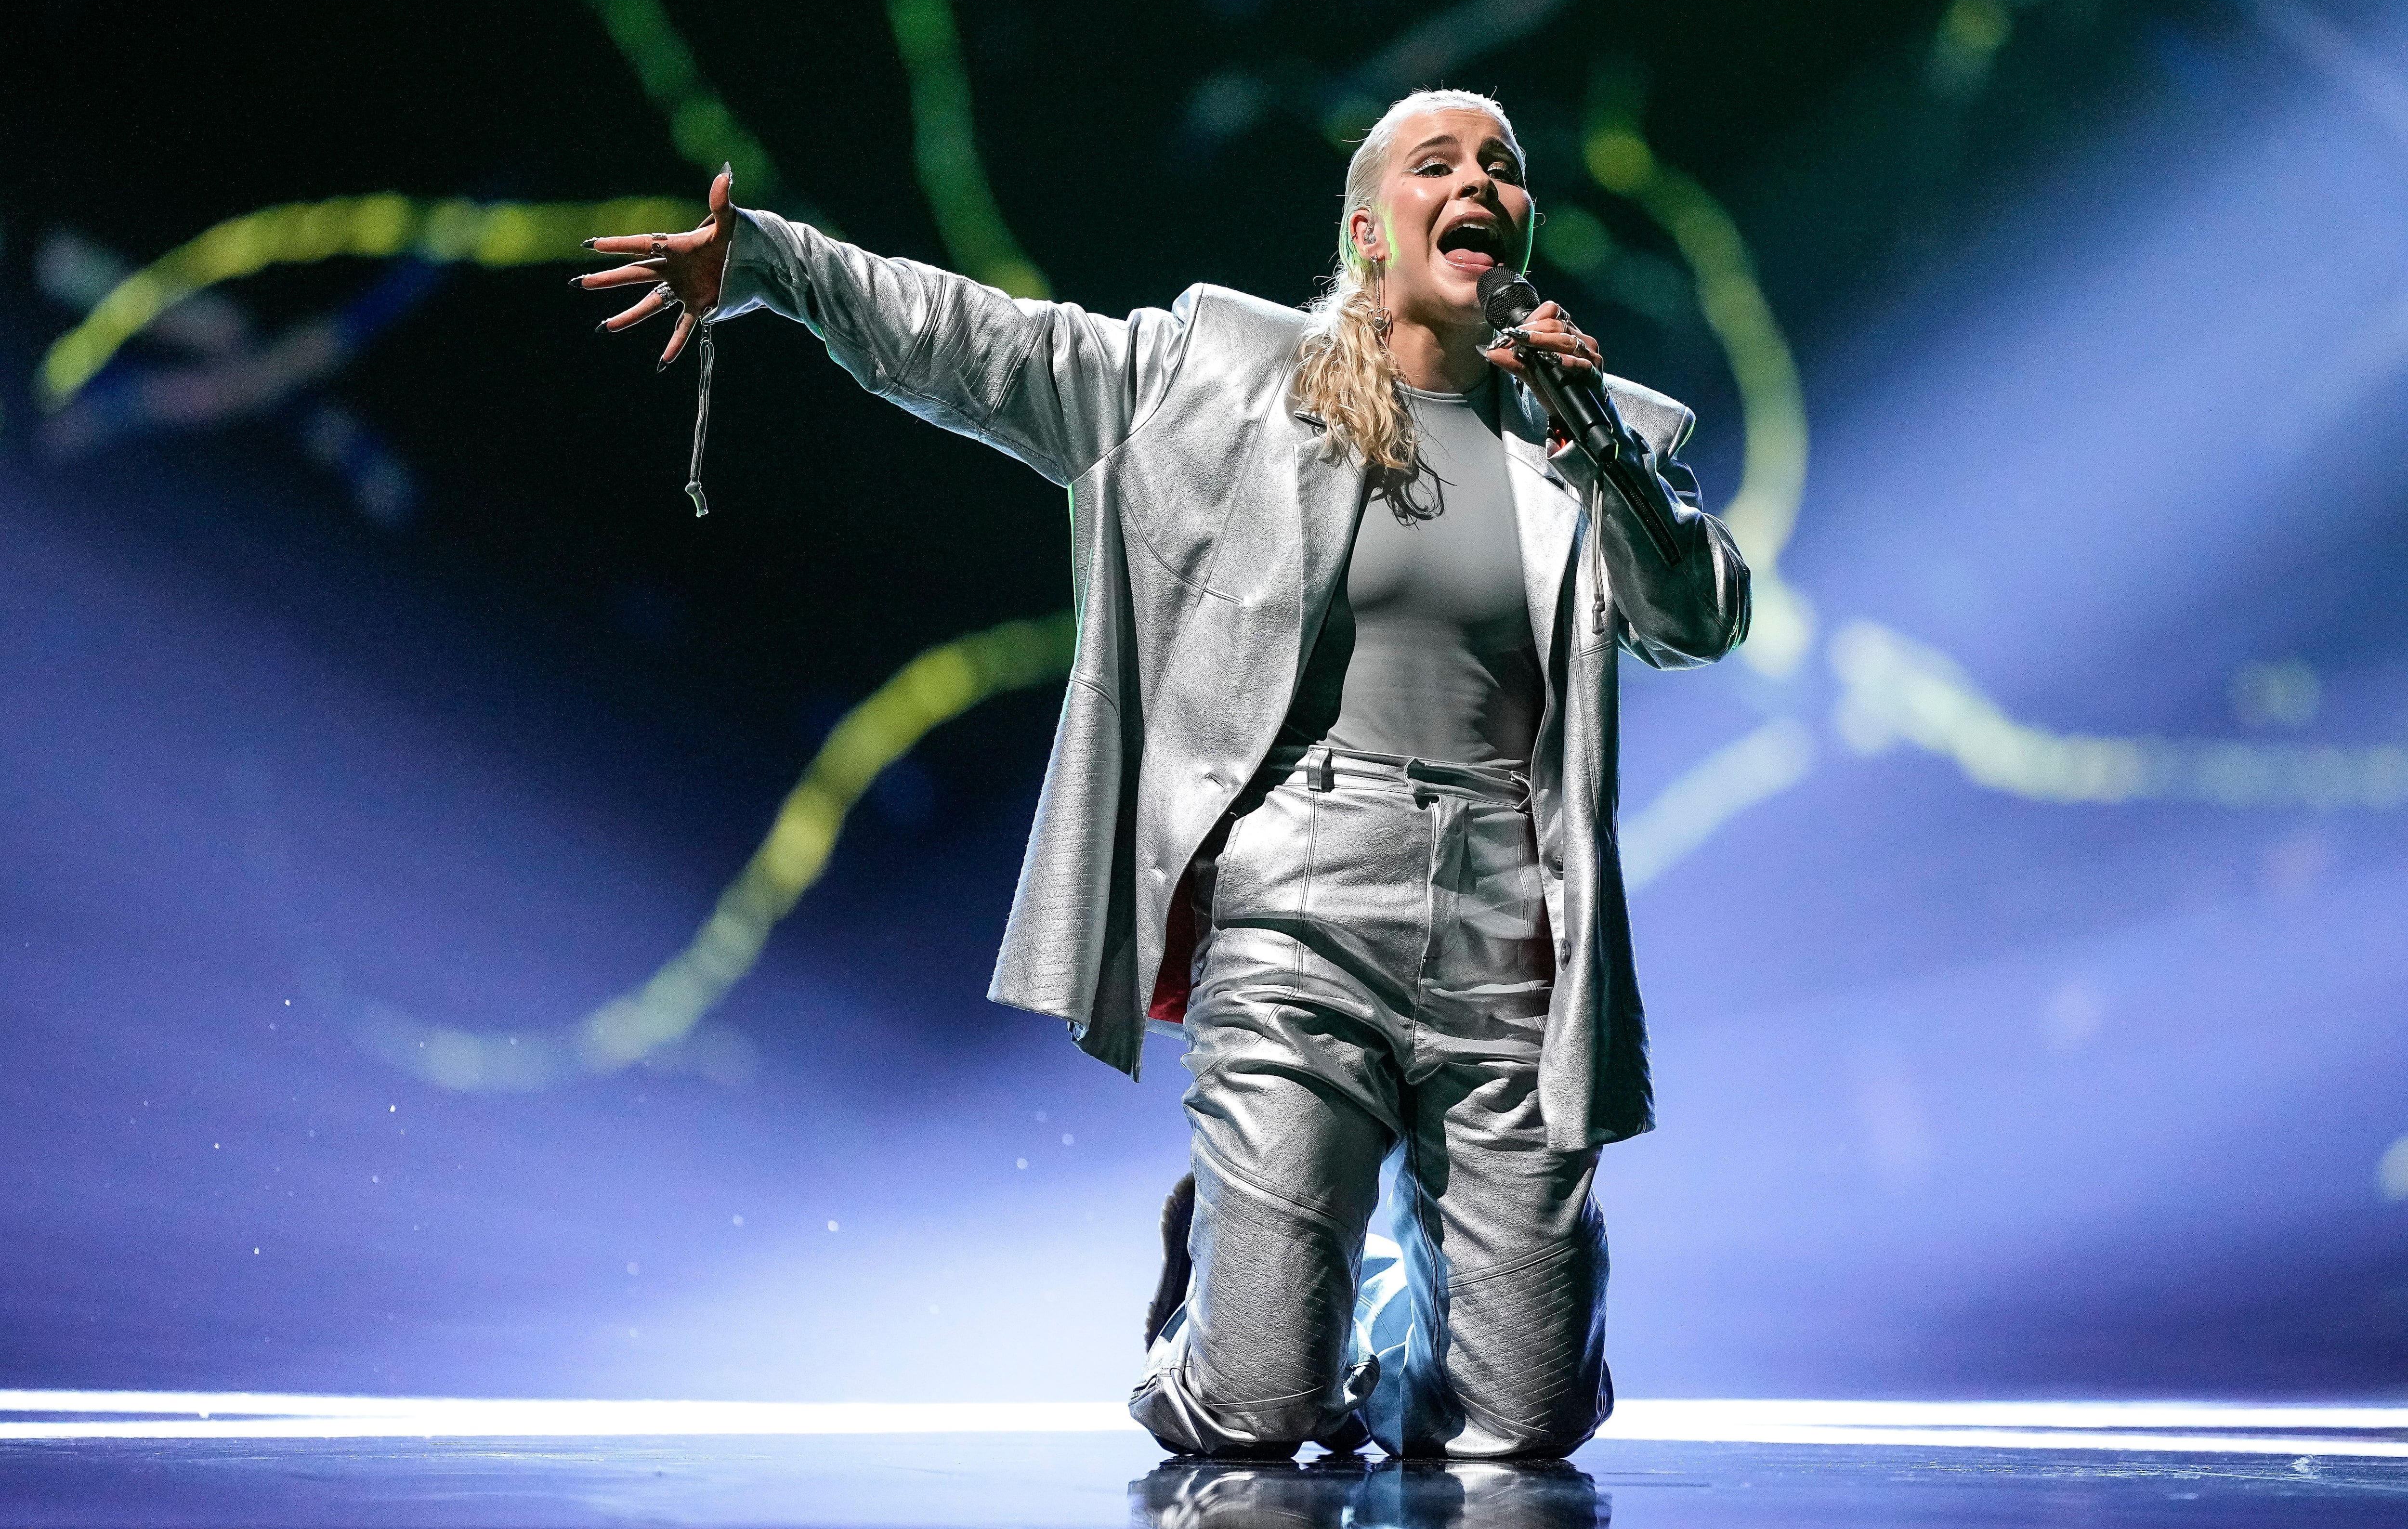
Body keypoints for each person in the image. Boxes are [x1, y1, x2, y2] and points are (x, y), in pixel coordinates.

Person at [576, 88, 1749, 1460]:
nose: (1480, 183)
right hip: (1301, 899)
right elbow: (989, 347)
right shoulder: (1229, 376)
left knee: (1524, 1422)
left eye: (1504, 167)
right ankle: (1228, 1298)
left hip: (1513, 928)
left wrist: (1594, 439)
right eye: (1438, 164)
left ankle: (1382, 1322)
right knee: (1255, 1411)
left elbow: (1697, 619)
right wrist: (779, 265)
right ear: (1370, 233)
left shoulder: (1586, 438)